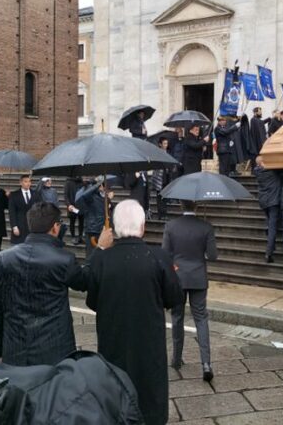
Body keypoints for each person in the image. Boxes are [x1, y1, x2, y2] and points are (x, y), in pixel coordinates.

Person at [83, 200, 183, 425]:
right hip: (149, 341)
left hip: (113, 338)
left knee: (116, 392)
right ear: (142, 226)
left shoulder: (103, 259)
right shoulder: (159, 257)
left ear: (116, 229)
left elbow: (93, 301)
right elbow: (174, 298)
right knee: (150, 394)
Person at [0, 202, 108, 366]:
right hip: (55, 349)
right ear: (55, 227)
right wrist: (100, 247)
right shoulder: (64, 259)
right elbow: (84, 281)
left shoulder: (3, 259)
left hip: (15, 349)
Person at [163, 200, 217, 381]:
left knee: (177, 317)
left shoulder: (171, 226)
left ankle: (176, 358)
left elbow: (165, 253)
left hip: (178, 276)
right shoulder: (206, 227)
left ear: (181, 205)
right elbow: (213, 255)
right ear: (197, 206)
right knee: (201, 318)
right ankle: (206, 363)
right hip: (198, 277)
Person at [253, 156, 282, 262]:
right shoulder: (272, 172)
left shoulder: (257, 171)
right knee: (273, 227)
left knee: (270, 222)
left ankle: (270, 238)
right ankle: (269, 252)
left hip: (263, 201)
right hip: (273, 201)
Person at [76, 176, 113, 259]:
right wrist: (98, 184)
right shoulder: (91, 197)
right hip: (93, 230)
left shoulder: (103, 196)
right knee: (91, 255)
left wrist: (108, 199)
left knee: (102, 254)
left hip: (102, 228)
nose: (105, 187)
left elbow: (107, 210)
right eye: (103, 185)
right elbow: (84, 196)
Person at [7, 174, 35, 245]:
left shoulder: (36, 194)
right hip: (19, 226)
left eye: (29, 181)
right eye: (26, 181)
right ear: (20, 183)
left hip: (32, 227)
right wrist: (14, 226)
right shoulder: (14, 195)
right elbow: (12, 212)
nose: (28, 183)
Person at [151, 137, 173, 220]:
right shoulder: (157, 153)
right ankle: (161, 214)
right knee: (160, 196)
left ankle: (164, 213)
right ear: (160, 144)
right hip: (159, 177)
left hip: (166, 176)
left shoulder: (168, 153)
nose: (166, 145)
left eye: (167, 143)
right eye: (164, 143)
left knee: (165, 196)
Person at [64, 176, 85, 244]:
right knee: (72, 222)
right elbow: (66, 195)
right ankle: (73, 237)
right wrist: (68, 205)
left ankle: (80, 237)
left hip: (81, 206)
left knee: (81, 222)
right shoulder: (68, 182)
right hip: (72, 206)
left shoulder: (82, 182)